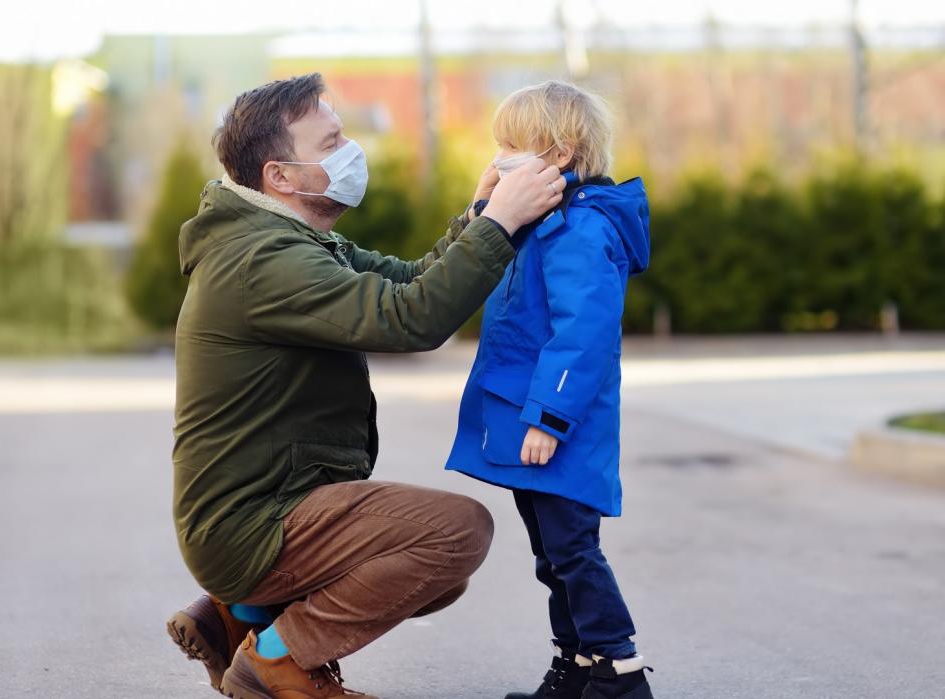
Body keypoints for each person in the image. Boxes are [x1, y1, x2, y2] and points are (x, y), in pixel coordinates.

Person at [165, 72, 566, 699]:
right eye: (330, 143)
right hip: (252, 524)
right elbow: (412, 319)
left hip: (265, 510)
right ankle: (275, 660)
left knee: (436, 570)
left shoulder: (286, 238)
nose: (351, 152)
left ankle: (236, 618)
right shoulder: (262, 260)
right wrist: (502, 226)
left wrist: (481, 215)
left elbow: (405, 284)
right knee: (455, 533)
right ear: (281, 175)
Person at [444, 81, 653, 699]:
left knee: (573, 551)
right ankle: (575, 667)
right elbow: (474, 263)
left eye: (512, 145)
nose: (499, 157)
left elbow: (581, 336)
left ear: (559, 154)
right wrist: (483, 208)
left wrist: (550, 418)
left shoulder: (581, 230)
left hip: (557, 428)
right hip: (530, 420)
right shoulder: (541, 222)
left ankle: (619, 670)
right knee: (552, 556)